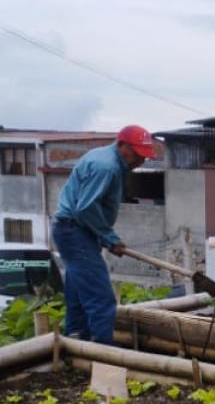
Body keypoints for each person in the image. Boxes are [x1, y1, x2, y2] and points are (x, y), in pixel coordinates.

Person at [51, 125, 157, 344]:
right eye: (137, 154)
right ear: (121, 145)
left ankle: (76, 340)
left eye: (144, 157)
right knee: (101, 298)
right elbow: (85, 208)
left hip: (74, 230)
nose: (140, 161)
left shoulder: (106, 159)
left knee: (79, 294)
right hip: (75, 231)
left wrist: (103, 238)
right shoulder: (106, 166)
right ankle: (103, 356)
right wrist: (110, 238)